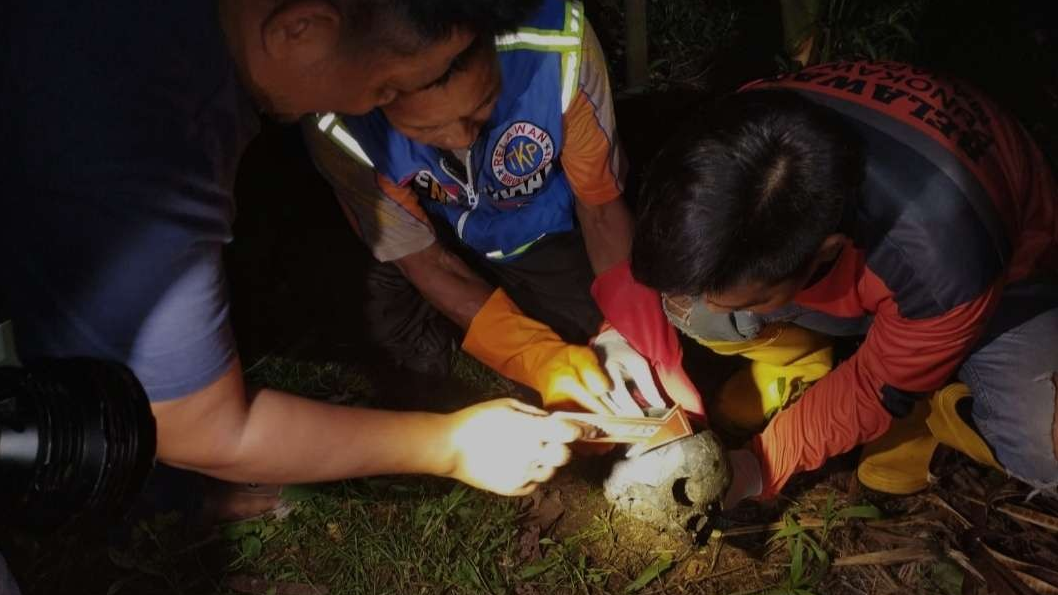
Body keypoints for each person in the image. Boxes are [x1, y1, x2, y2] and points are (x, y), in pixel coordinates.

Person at [1, 0, 596, 499]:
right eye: (386, 84)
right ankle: (143, 494)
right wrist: (451, 446)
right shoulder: (150, 155)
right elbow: (202, 428)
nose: (376, 106)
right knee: (103, 434)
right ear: (300, 27)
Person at [631, 59, 1058, 503]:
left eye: (755, 297)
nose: (720, 307)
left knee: (1041, 444)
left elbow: (871, 386)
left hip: (999, 278)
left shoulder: (945, 259)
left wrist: (760, 465)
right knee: (692, 305)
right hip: (886, 269)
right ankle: (804, 359)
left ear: (826, 252)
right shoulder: (733, 138)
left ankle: (937, 399)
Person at [304, 0, 704, 419]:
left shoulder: (558, 51)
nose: (461, 138)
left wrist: (652, 348)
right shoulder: (339, 116)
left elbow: (601, 209)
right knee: (400, 353)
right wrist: (539, 358)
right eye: (426, 128)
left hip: (531, 221)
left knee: (594, 358)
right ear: (379, 94)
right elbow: (422, 261)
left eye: (482, 106)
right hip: (425, 232)